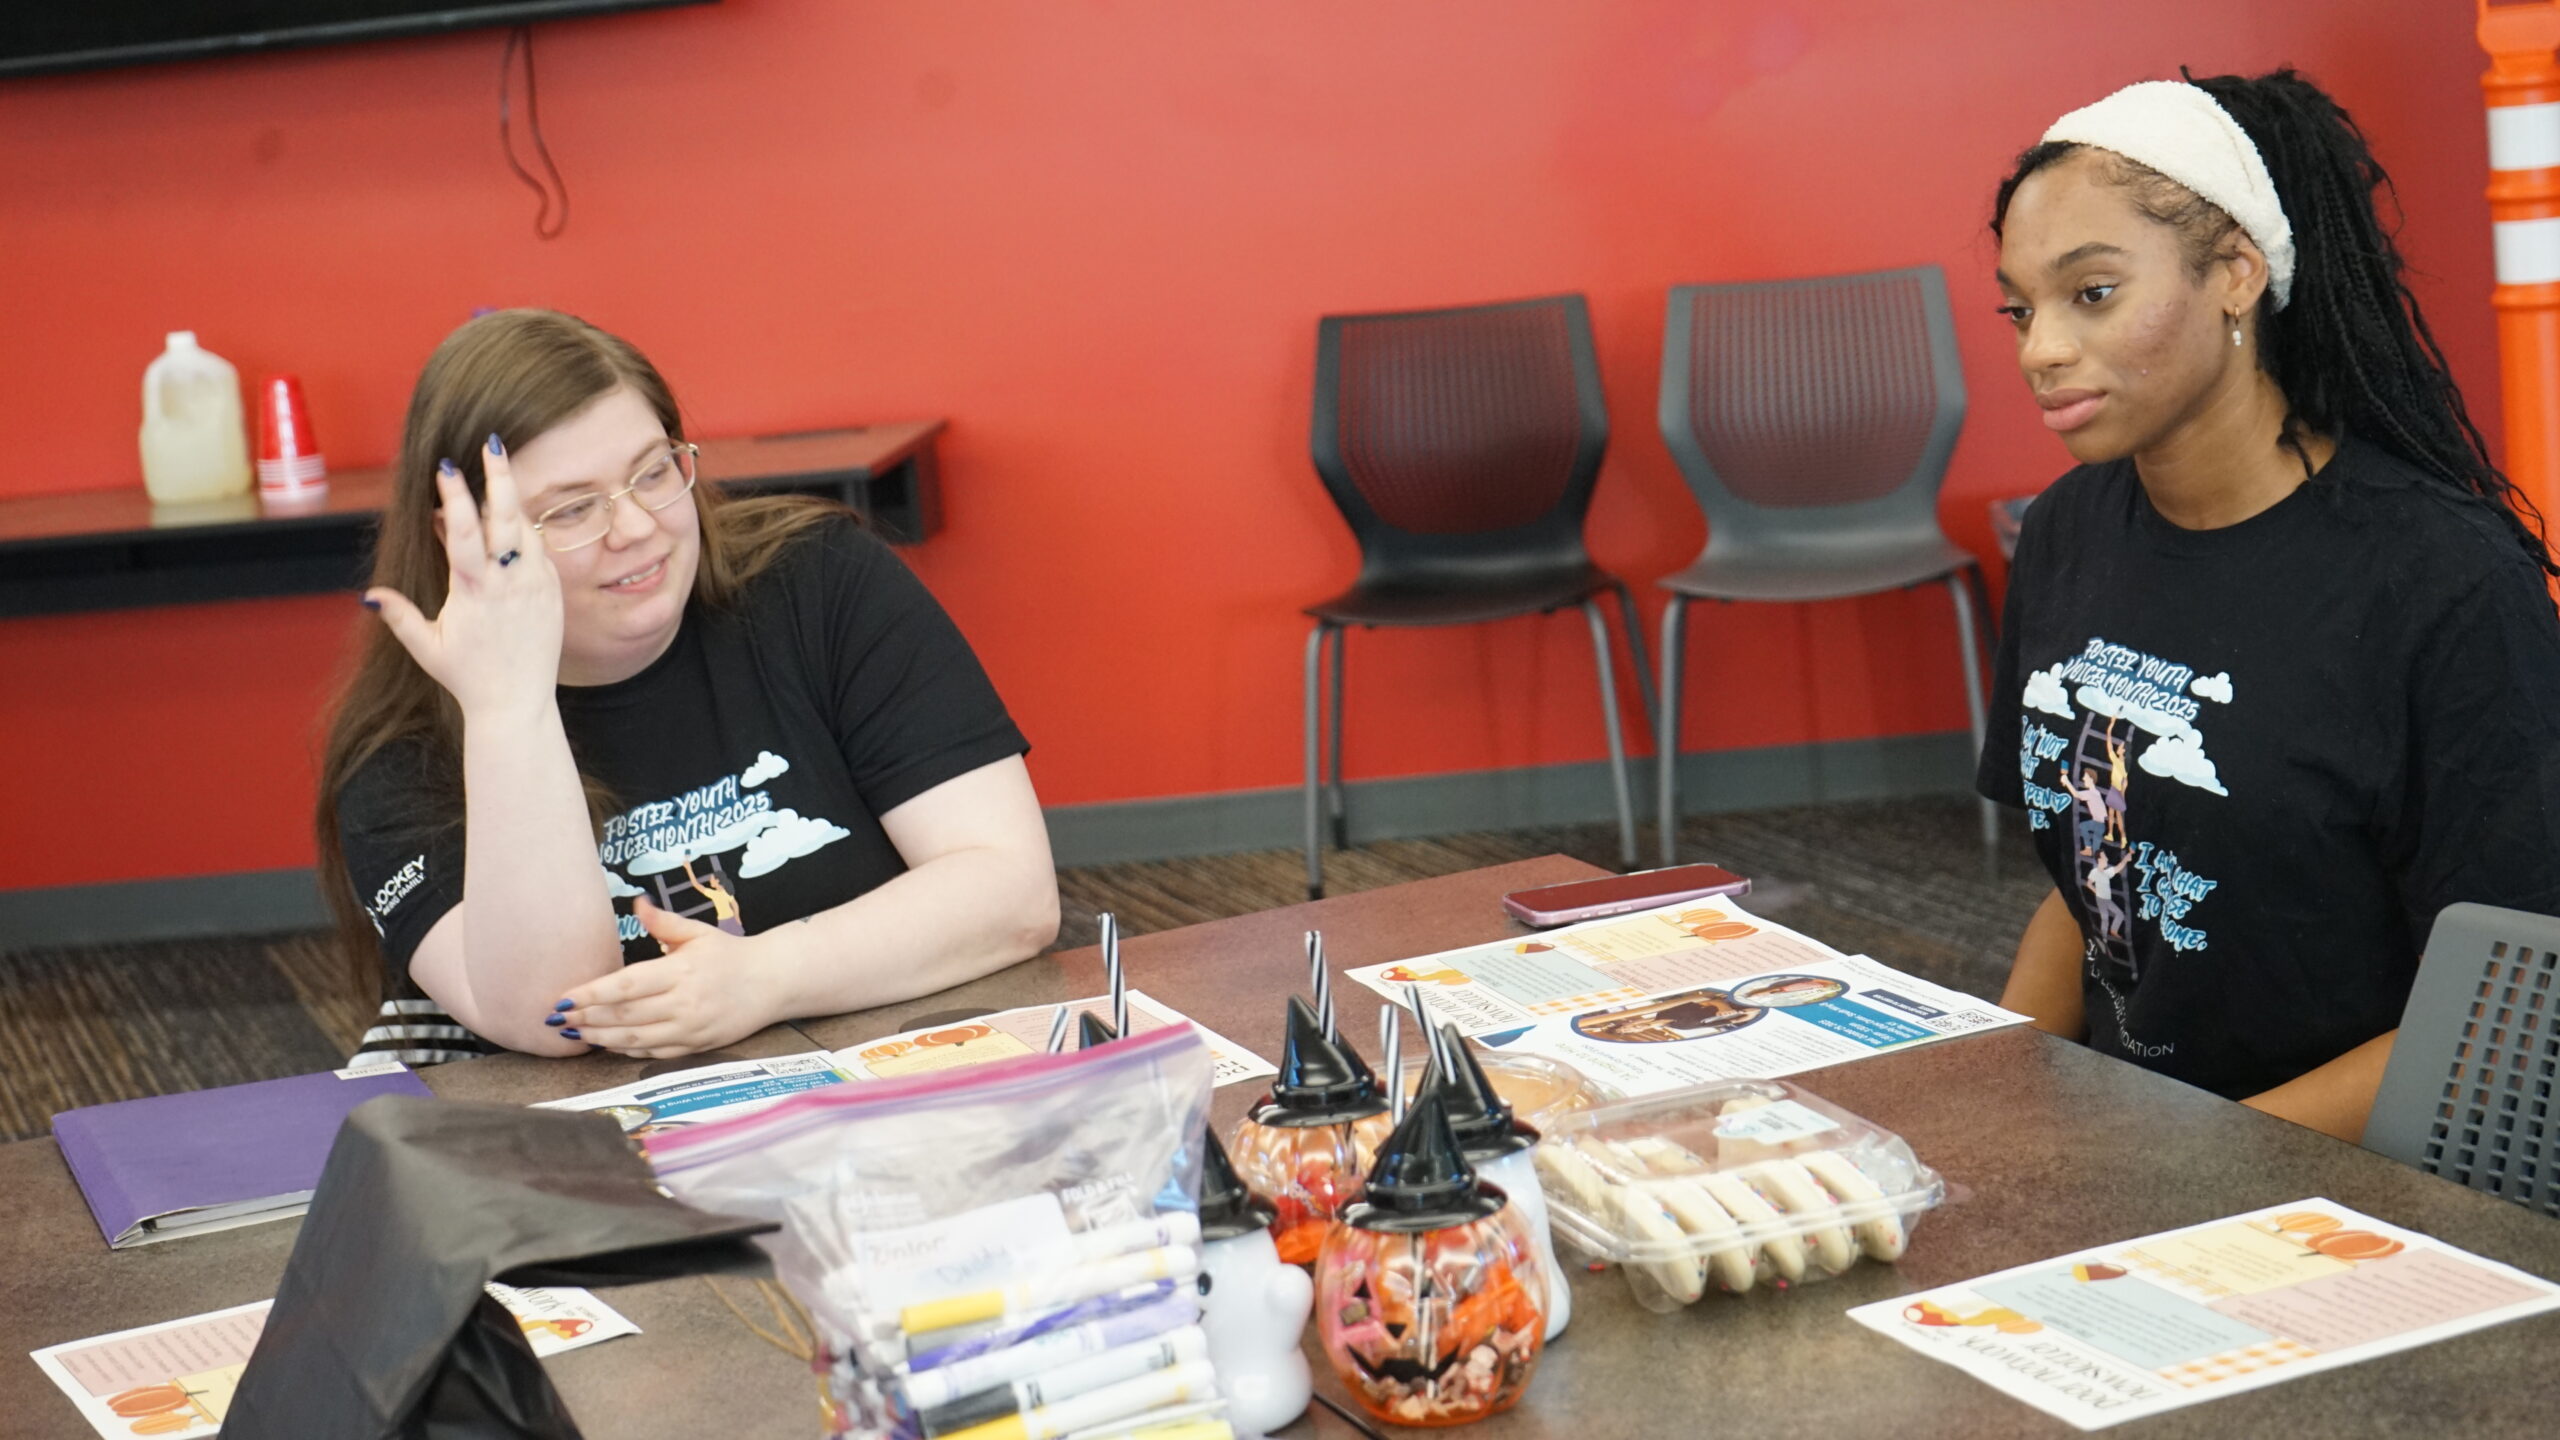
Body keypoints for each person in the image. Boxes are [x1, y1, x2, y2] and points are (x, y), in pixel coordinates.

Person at [1980, 69, 2560, 1141]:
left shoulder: (2443, 584)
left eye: (2092, 293)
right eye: (2020, 308)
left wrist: (2194, 1165)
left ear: (2237, 274)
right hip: (2135, 1146)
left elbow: (2507, 1007)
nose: (2040, 349)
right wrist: (1995, 1085)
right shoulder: (2065, 531)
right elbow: (2094, 880)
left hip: (2362, 1178)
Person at [317, 310, 1059, 1064]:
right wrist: (509, 710)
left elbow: (1012, 893)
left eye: (653, 472)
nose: (638, 527)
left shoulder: (819, 582)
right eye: (571, 509)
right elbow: (558, 1018)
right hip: (578, 1122)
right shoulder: (399, 756)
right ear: (465, 540)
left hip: (882, 1068)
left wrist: (764, 977)